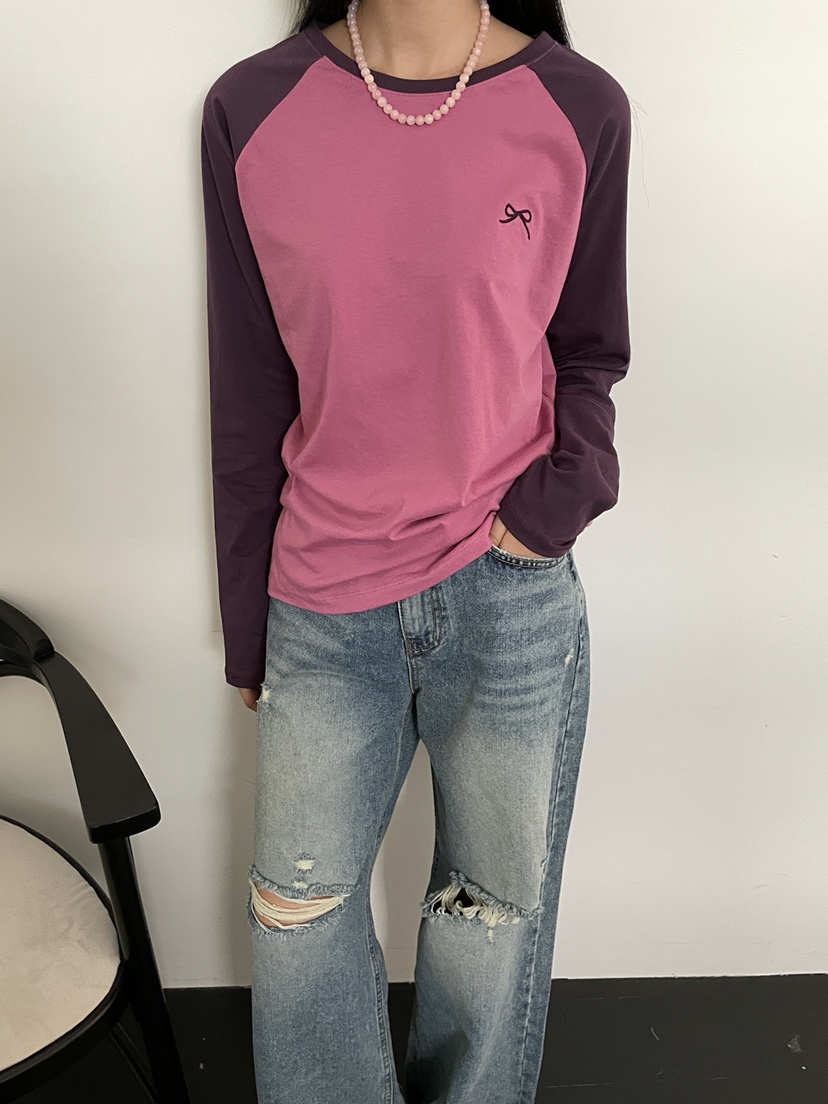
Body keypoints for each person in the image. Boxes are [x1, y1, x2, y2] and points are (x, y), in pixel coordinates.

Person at [200, 0, 632, 1099]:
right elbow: (249, 391)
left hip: (509, 593)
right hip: (323, 602)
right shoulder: (253, 110)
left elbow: (589, 351)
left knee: (493, 921)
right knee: (297, 922)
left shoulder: (580, 108)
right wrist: (247, 624)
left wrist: (557, 502)